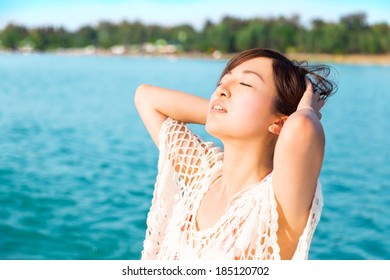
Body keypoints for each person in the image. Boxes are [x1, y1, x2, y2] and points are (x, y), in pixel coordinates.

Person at [134, 48, 336, 260]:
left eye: (246, 84)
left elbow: (302, 126)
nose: (222, 90)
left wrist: (305, 109)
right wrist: (221, 113)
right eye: (222, 82)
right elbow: (146, 97)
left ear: (280, 121)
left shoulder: (275, 205)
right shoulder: (204, 177)